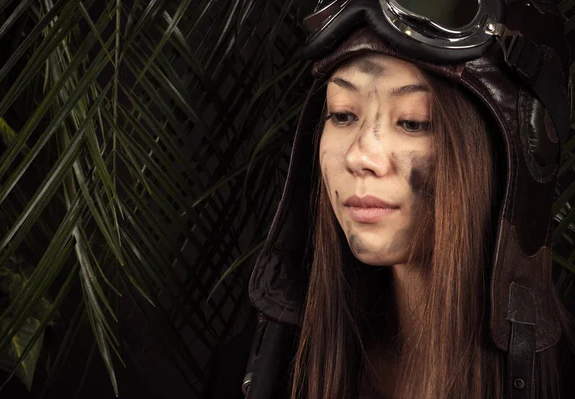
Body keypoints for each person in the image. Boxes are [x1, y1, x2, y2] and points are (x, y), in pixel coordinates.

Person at [242, 0, 575, 398]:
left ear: (511, 151)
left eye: (413, 122)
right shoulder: (267, 368)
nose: (359, 156)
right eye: (343, 114)